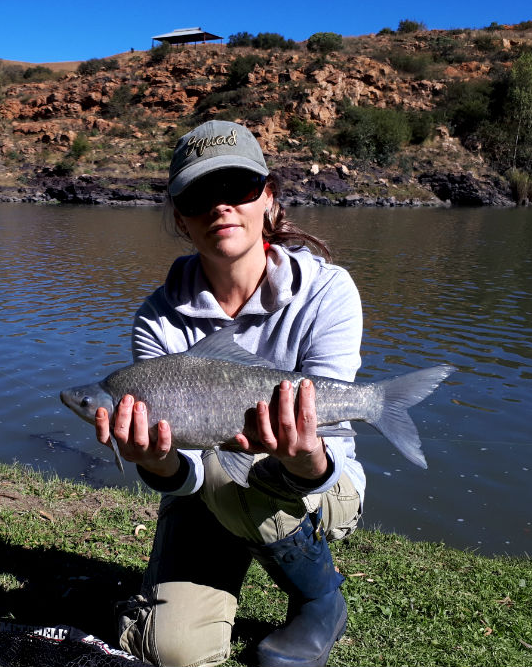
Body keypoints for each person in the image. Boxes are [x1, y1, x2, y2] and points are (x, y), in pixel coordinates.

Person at [95, 120, 365, 667]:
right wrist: (158, 461)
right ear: (180, 217)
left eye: (238, 189)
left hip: (316, 485)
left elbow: (333, 448)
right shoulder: (156, 319)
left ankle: (319, 600)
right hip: (203, 493)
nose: (220, 207)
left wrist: (306, 455)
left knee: (240, 471)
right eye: (199, 195)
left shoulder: (329, 290)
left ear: (268, 199)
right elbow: (185, 472)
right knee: (169, 652)